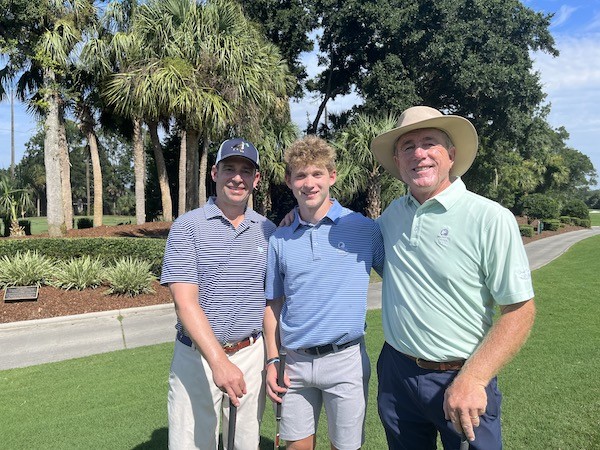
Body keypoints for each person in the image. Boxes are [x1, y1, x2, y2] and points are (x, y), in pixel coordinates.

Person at [370, 106, 536, 450]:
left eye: (430, 142)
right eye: (408, 146)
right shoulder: (391, 217)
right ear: (399, 163)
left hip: (462, 377)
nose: (419, 153)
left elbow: (519, 310)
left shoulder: (489, 217)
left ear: (451, 155)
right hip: (397, 373)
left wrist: (473, 377)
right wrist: (299, 213)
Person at [264, 135, 384, 450]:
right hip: (295, 364)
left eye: (317, 174)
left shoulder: (363, 229)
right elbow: (273, 306)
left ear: (332, 176)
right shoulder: (280, 238)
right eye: (301, 175)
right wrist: (272, 360)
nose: (309, 183)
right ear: (289, 181)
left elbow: (401, 280)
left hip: (346, 360)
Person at [161, 138, 276, 450]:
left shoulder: (268, 230)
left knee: (245, 443)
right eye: (229, 169)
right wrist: (218, 361)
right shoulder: (188, 227)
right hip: (196, 355)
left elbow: (271, 302)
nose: (237, 177)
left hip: (251, 353)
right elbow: (185, 303)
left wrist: (274, 357)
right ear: (214, 173)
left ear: (257, 179)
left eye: (245, 171)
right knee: (193, 444)